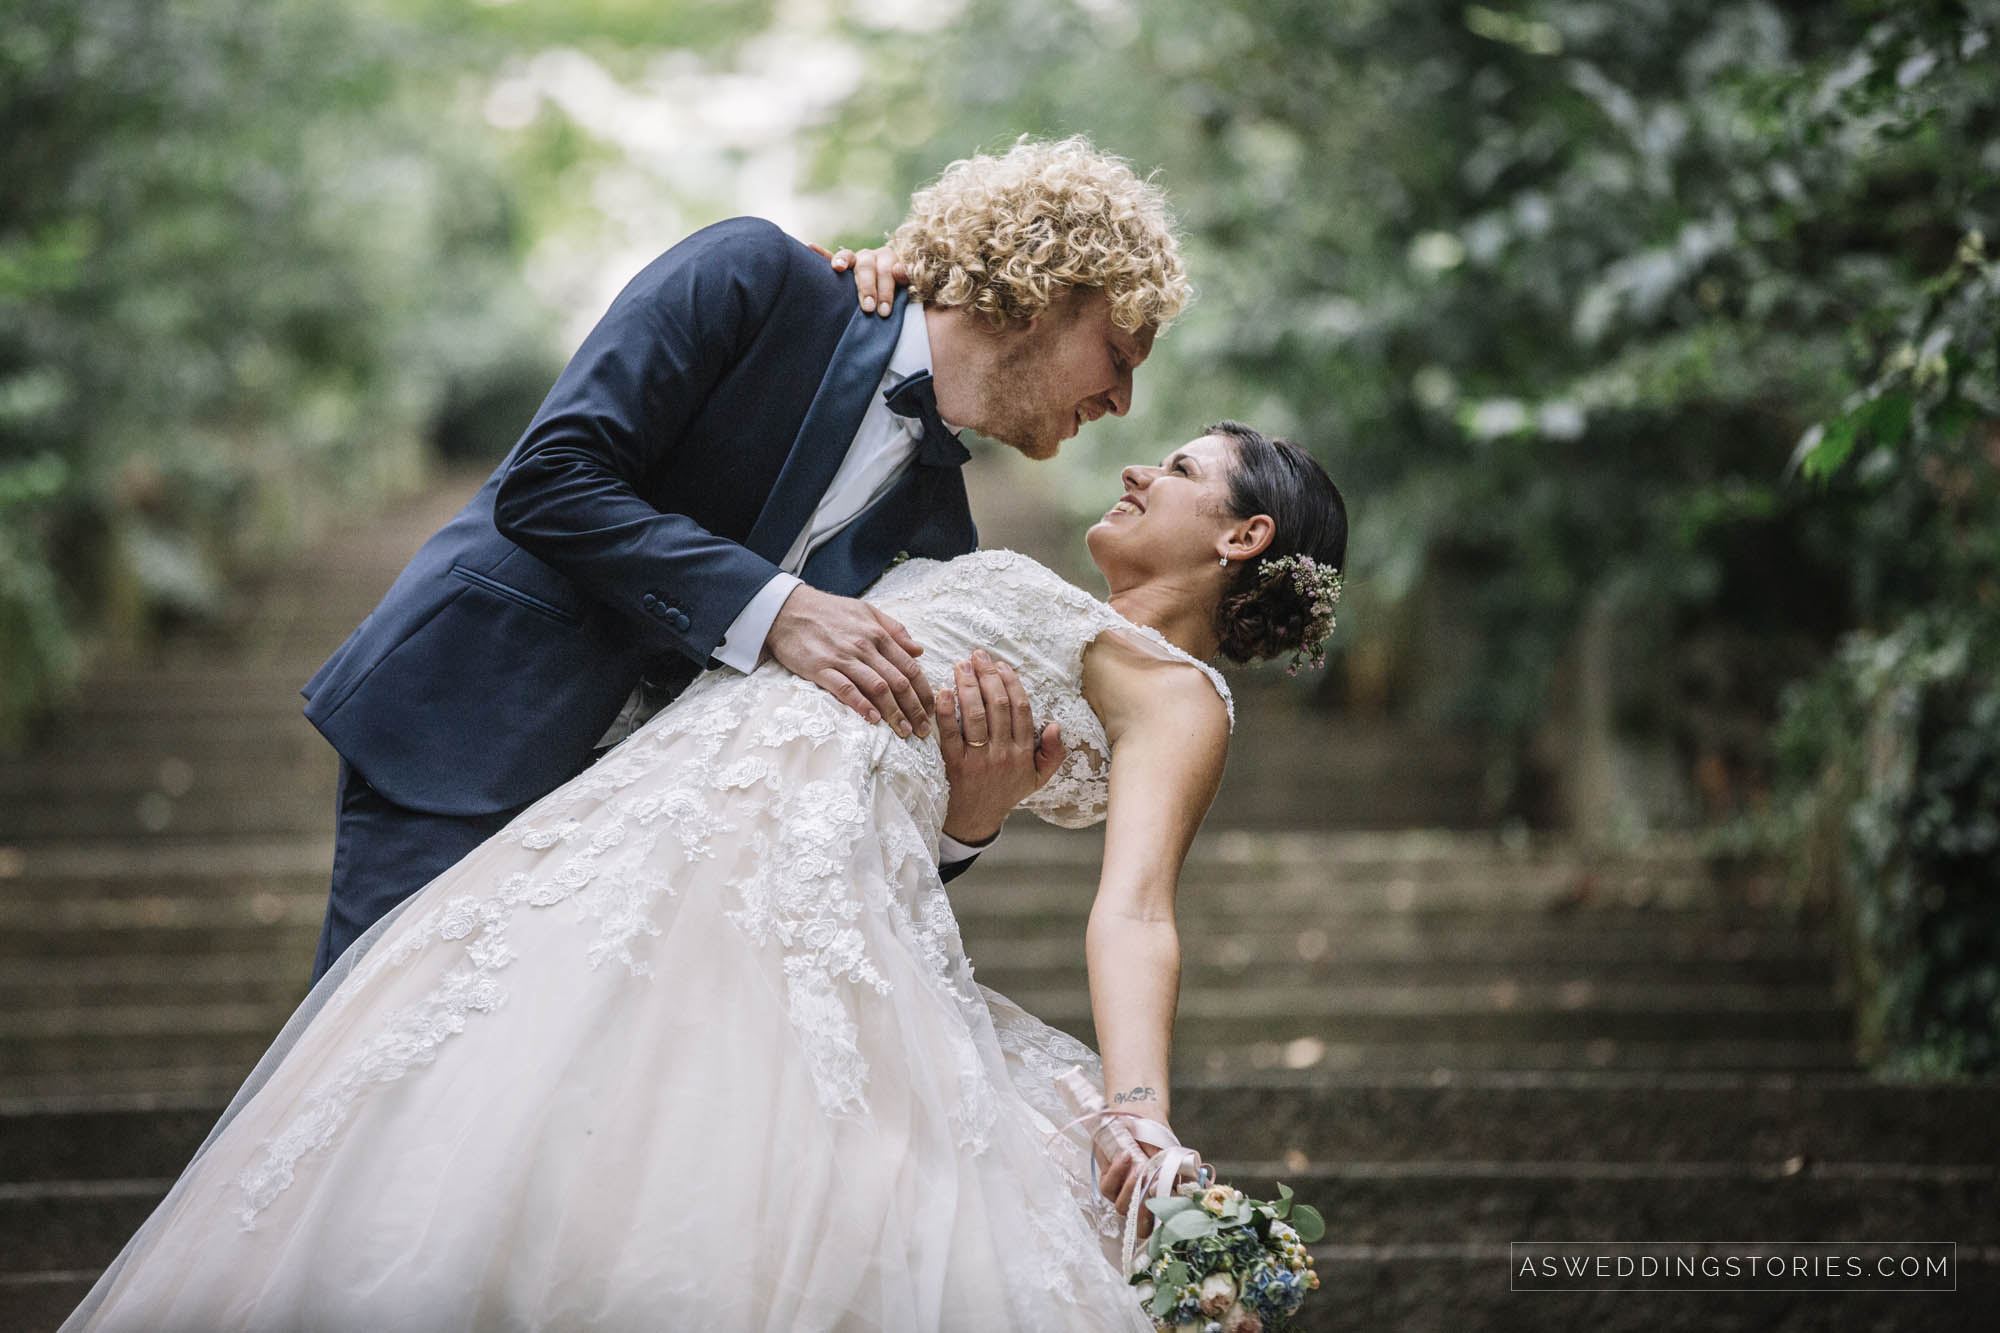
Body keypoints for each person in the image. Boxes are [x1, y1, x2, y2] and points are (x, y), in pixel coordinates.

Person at [63, 421, 1348, 1332]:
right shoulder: (1045, 608)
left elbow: (1134, 905)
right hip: (652, 822)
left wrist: (1136, 1107)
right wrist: (969, 820)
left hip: (779, 882)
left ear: (1241, 533)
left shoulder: (1178, 695)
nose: (1135, 461)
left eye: (1176, 468)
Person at [300, 137, 1189, 978]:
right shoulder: (757, 274)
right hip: (466, 735)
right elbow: (549, 478)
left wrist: (969, 822)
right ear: (1041, 293)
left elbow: (857, 821)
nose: (1120, 399)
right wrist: (778, 609)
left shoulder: (945, 543)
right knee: (355, 1093)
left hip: (640, 858)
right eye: (1117, 354)